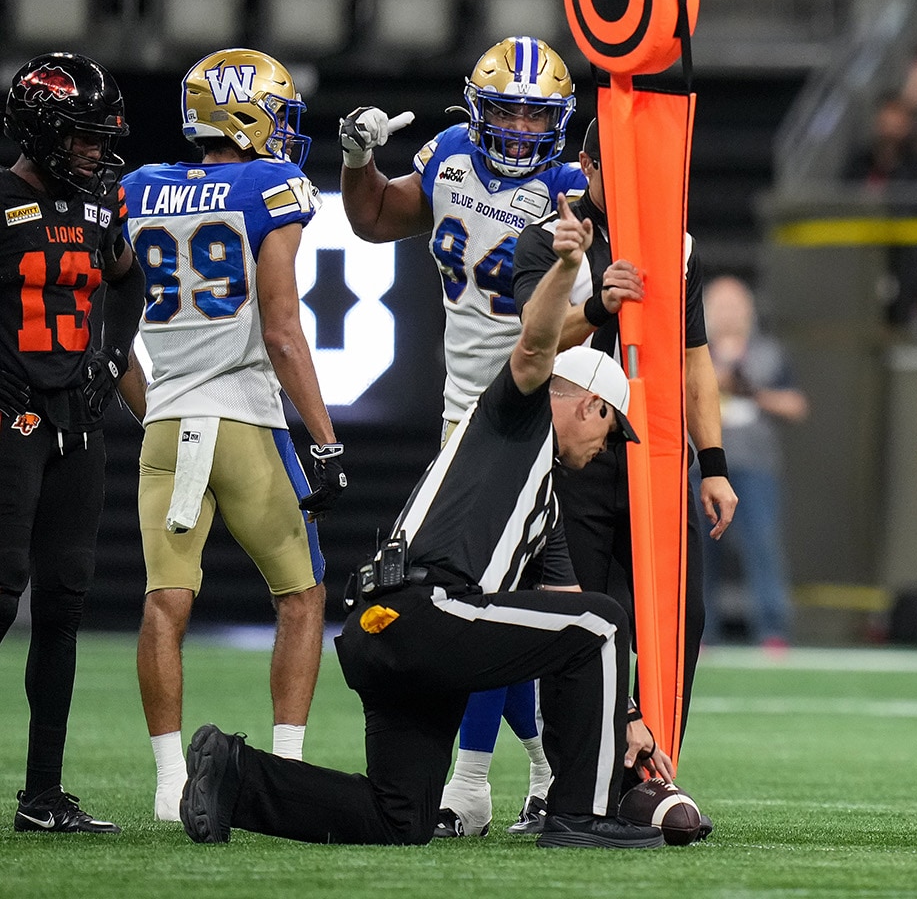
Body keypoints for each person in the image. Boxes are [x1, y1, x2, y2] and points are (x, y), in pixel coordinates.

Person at [178, 199, 671, 849]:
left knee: (398, 818)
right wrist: (567, 267)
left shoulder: (540, 498)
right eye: (612, 432)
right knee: (608, 621)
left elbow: (564, 615)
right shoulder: (516, 418)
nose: (606, 451)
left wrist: (626, 715)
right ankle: (578, 815)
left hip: (380, 629)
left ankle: (234, 774)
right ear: (590, 406)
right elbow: (534, 345)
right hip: (423, 613)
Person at [337, 36, 584, 836]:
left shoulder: (574, 187)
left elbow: (599, 316)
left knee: (499, 604)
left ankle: (476, 785)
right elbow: (374, 220)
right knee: (488, 604)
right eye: (505, 108)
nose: (517, 126)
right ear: (474, 110)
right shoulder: (445, 156)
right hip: (461, 418)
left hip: (540, 410)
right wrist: (355, 163)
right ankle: (536, 773)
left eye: (533, 113)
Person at [124, 48, 347, 823]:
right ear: (248, 114)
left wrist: (152, 410)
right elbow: (283, 332)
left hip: (168, 421)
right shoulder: (270, 186)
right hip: (246, 422)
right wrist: (322, 437)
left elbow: (112, 335)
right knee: (303, 595)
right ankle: (283, 770)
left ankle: (166, 785)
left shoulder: (136, 189)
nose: (286, 131)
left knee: (165, 603)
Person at [511, 117, 736, 835]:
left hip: (654, 457)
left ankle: (656, 767)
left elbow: (693, 357)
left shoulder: (677, 245)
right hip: (576, 459)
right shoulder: (551, 239)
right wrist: (594, 302)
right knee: (588, 616)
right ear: (587, 167)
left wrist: (715, 463)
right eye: (622, 170)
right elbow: (533, 344)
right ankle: (585, 779)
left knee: (679, 617)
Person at [0, 53, 144, 834]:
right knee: (1, 594)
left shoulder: (96, 210)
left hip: (78, 424)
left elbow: (129, 284)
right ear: (42, 131)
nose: (96, 151)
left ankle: (43, 797)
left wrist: (110, 358)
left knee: (63, 603)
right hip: (10, 419)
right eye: (83, 137)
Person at [701, 276, 805, 648]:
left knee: (762, 545)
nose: (728, 314)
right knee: (698, 552)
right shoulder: (694, 352)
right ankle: (700, 630)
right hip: (703, 466)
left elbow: (796, 405)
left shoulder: (769, 353)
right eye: (720, 306)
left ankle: (772, 629)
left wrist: (751, 391)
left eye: (735, 306)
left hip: (755, 464)